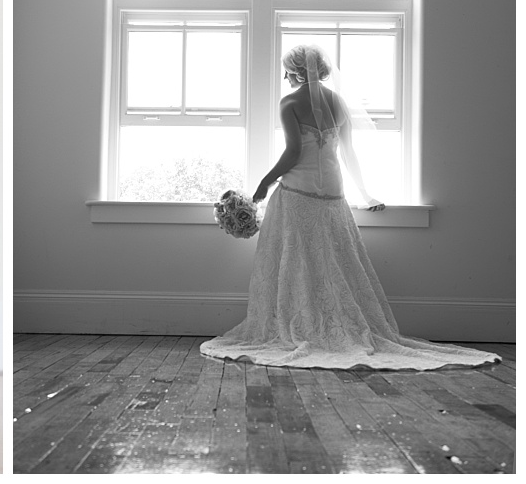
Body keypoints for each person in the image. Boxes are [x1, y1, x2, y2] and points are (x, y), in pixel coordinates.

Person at [200, 44, 497, 370]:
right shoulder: (339, 103)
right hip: (333, 196)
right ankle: (333, 326)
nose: (284, 76)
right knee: (333, 264)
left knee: (296, 264)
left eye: (286, 69)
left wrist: (264, 183)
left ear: (298, 71)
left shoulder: (290, 103)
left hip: (298, 194)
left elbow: (293, 154)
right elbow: (349, 154)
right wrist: (365, 194)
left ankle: (301, 326)